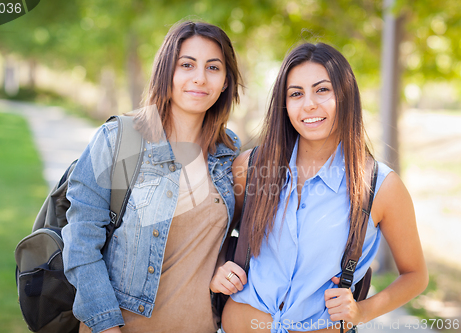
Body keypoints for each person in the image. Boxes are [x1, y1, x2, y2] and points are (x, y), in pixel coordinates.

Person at [210, 42, 428, 333]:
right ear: (284, 104)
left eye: (322, 90)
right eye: (296, 93)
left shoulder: (380, 186)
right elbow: (214, 237)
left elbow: (415, 275)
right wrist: (219, 267)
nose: (309, 104)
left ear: (345, 95)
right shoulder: (250, 168)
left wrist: (361, 311)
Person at [62, 20, 243, 333]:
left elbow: (222, 238)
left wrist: (218, 268)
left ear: (226, 81)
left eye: (213, 67)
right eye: (187, 65)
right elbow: (80, 243)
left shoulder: (228, 153)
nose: (199, 78)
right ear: (167, 72)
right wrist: (106, 328)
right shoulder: (120, 138)